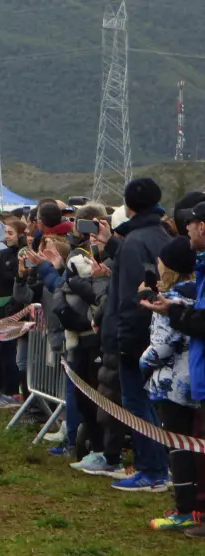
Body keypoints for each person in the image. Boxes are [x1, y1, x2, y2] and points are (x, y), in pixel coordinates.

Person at [102, 178, 171, 492]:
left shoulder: (133, 243)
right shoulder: (164, 236)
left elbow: (131, 298)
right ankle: (160, 466)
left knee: (138, 404)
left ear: (128, 206)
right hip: (160, 334)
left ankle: (151, 469)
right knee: (152, 404)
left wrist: (124, 342)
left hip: (137, 337)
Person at [134, 236, 198, 531]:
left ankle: (185, 508)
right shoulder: (198, 296)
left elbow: (161, 347)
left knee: (178, 448)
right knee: (193, 446)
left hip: (172, 387)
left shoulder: (170, 302)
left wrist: (142, 365)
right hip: (195, 382)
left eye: (160, 265)